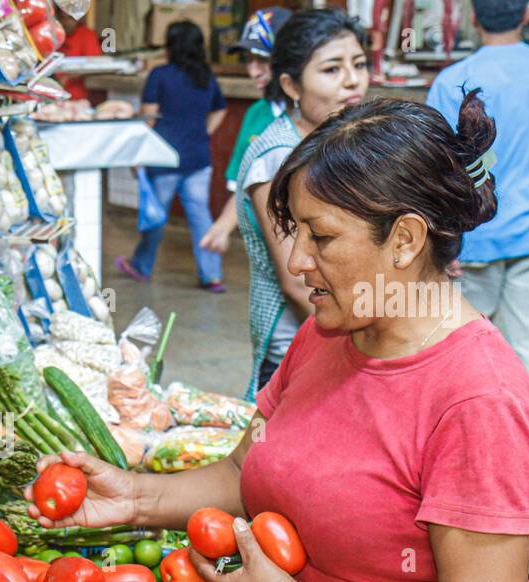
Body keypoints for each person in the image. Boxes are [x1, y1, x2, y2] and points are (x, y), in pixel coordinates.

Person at [29, 93, 529, 582]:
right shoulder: (329, 333)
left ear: (405, 239)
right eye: (294, 230)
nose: (297, 261)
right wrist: (133, 497)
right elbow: (248, 472)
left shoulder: (476, 398)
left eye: (322, 236)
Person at [428, 0, 529, 396]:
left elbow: (437, 168)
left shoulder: (450, 79)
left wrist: (440, 239)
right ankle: (522, 443)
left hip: (469, 240)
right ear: (525, 16)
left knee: (458, 356)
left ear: (473, 18)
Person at [236, 9, 367, 397]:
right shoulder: (278, 157)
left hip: (344, 329)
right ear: (292, 86)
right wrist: (371, 342)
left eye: (359, 65)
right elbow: (297, 281)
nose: (352, 81)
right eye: (331, 70)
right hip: (298, 344)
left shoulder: (336, 140)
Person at [117, 21, 226, 291]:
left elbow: (149, 118)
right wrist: (204, 132)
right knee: (201, 217)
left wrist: (137, 155)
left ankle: (142, 266)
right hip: (198, 157)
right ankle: (211, 276)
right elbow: (220, 109)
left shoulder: (160, 75)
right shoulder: (206, 76)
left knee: (155, 217)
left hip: (163, 158)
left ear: (170, 45)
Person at [200, 7, 292, 255]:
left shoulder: (312, 110)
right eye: (249, 60)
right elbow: (243, 187)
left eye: (263, 60)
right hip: (265, 250)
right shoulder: (255, 114)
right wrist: (221, 227)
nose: (254, 71)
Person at [56, 8, 104, 102]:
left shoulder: (87, 36)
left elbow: (95, 65)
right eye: (62, 17)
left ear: (78, 18)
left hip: (80, 99)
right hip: (54, 95)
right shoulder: (55, 36)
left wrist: (68, 77)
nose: (66, 22)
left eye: (70, 18)